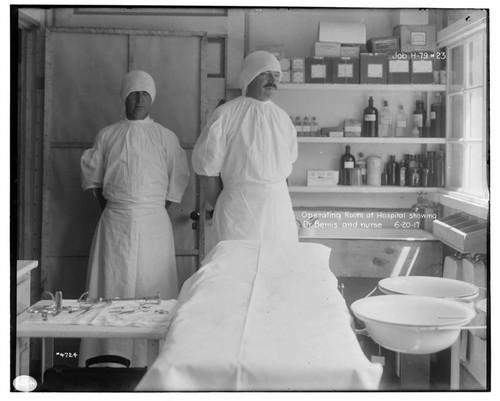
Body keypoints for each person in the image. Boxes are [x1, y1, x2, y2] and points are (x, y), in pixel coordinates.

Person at [79, 70, 189, 366]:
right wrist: (121, 209)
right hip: (115, 223)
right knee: (112, 288)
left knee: (151, 290)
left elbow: (175, 181)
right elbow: (95, 183)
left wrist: (147, 210)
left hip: (154, 225)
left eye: (145, 94)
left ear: (152, 99)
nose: (139, 99)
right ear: (124, 97)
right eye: (133, 93)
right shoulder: (107, 135)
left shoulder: (165, 137)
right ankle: (106, 362)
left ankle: (149, 365)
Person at [192, 51, 298, 248]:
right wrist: (227, 205)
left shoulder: (282, 118)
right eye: (265, 73)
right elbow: (206, 171)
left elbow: (287, 166)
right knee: (237, 270)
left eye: (276, 75)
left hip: (278, 211)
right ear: (249, 75)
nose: (272, 80)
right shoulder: (225, 115)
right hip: (238, 212)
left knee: (278, 268)